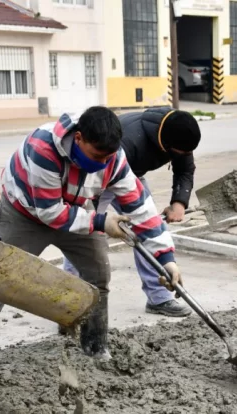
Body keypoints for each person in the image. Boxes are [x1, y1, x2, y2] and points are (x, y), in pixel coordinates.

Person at [0, 106, 183, 374]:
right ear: (78, 139)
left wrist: (166, 258)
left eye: (108, 157)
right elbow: (50, 212)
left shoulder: (114, 159)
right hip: (24, 213)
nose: (102, 164)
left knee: (98, 276)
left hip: (76, 206)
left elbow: (141, 208)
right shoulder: (43, 148)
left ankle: (96, 349)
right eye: (97, 155)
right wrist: (101, 222)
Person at [61, 108, 201, 318]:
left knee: (151, 229)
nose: (183, 156)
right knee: (83, 237)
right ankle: (71, 303)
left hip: (131, 176)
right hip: (99, 175)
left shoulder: (178, 133)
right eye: (180, 153)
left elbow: (185, 169)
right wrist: (95, 220)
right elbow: (97, 170)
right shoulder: (132, 139)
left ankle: (159, 297)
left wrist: (179, 203)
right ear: (167, 145)